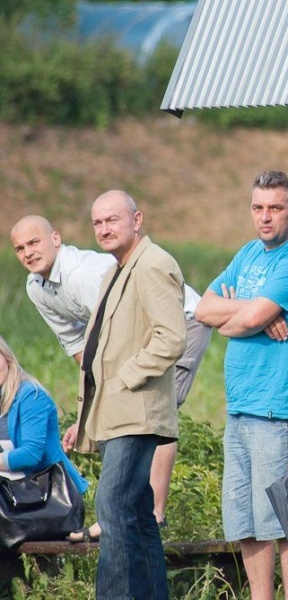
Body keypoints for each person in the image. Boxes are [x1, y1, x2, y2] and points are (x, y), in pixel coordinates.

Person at [10, 214, 211, 538]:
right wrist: (92, 409)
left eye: (34, 242)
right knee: (118, 415)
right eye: (20, 248)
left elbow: (127, 329)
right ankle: (123, 509)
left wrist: (107, 400)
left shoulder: (84, 275)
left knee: (154, 410)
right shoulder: (36, 287)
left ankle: (152, 514)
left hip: (178, 321)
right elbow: (82, 349)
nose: (28, 252)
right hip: (129, 337)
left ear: (56, 238)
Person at [194, 170, 288, 600]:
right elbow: (203, 310)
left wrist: (244, 319)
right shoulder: (248, 254)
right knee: (247, 523)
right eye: (258, 208)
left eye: (275, 208)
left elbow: (238, 321)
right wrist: (255, 312)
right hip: (241, 408)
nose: (265, 217)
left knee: (284, 523)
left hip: (281, 410)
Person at [65, 190, 186, 599]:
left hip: (136, 408)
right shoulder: (116, 269)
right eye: (97, 222)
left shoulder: (153, 263)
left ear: (137, 220)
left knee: (113, 506)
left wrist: (124, 378)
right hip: (117, 411)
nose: (103, 229)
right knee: (135, 513)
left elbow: (171, 337)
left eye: (112, 220)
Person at [0, 336, 88, 497]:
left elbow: (31, 454)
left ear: (5, 356)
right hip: (14, 490)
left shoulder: (31, 396)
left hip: (51, 494)